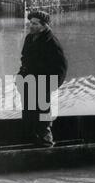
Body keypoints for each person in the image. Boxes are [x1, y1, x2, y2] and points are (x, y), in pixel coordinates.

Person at [16, 11, 68, 147]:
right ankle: (30, 142)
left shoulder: (52, 42)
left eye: (35, 23)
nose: (31, 26)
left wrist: (50, 86)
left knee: (43, 115)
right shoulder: (29, 38)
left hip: (43, 84)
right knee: (28, 112)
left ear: (44, 26)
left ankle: (46, 143)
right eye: (30, 23)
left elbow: (62, 67)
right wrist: (20, 76)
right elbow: (24, 60)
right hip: (27, 83)